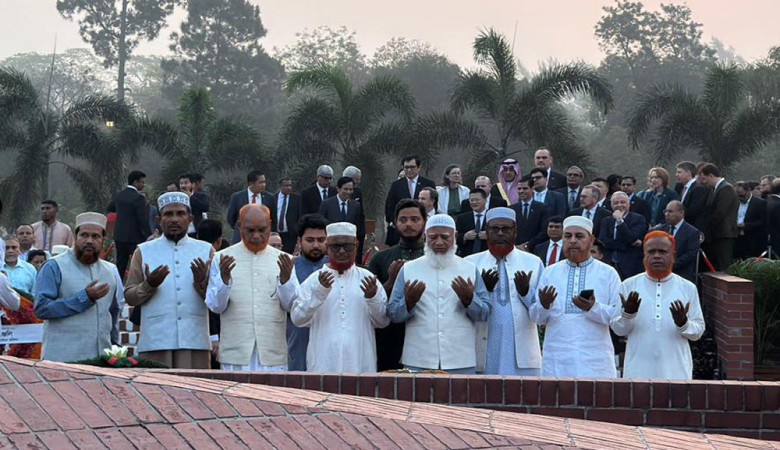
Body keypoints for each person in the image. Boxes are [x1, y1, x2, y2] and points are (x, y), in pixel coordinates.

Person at [387, 214, 490, 373]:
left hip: (460, 359)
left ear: (455, 236)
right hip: (419, 358)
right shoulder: (409, 269)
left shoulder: (469, 268)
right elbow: (393, 314)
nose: (439, 242)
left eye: (445, 237)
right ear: (425, 237)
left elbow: (485, 314)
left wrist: (470, 300)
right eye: (433, 237)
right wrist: (407, 303)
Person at [124, 192, 214, 369]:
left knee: (194, 387)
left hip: (195, 341)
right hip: (155, 341)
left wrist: (201, 283)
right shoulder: (143, 251)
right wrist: (149, 285)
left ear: (190, 219)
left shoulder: (206, 251)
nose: (174, 219)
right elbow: (129, 297)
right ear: (159, 219)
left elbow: (217, 301)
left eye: (180, 214)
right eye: (168, 214)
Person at [529, 216, 621, 377]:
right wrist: (543, 305)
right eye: (567, 236)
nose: (572, 241)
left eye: (579, 236)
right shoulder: (550, 272)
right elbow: (537, 318)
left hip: (596, 359)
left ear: (591, 240)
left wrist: (593, 308)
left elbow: (617, 318)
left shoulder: (608, 273)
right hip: (557, 358)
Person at [290, 222, 389, 372]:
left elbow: (383, 321)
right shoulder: (314, 280)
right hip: (323, 364)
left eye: (347, 246)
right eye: (336, 246)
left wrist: (372, 298)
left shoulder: (367, 279)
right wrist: (319, 292)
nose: (342, 251)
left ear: (356, 246)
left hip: (360, 363)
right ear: (327, 247)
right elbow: (297, 319)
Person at [206, 204, 294, 372]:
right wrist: (224, 280)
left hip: (272, 354)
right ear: (240, 227)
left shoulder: (285, 260)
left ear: (270, 225)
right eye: (250, 230)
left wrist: (285, 280)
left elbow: (291, 306)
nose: (256, 236)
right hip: (235, 355)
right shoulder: (221, 258)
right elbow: (215, 306)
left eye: (262, 230)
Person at [611, 231, 705, 380]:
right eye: (651, 252)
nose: (656, 256)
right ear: (644, 255)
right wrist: (628, 315)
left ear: (673, 255)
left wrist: (684, 324)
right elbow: (618, 330)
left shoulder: (687, 288)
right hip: (638, 372)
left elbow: (698, 332)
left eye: (662, 252)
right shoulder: (628, 285)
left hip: (677, 372)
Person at [467, 207, 544, 376]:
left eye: (506, 229)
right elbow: (465, 310)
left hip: (522, 347)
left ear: (515, 231)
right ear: (486, 232)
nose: (500, 233)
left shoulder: (533, 262)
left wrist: (525, 292)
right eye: (494, 229)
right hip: (484, 343)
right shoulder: (471, 263)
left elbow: (541, 315)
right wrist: (485, 290)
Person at [34, 213, 119, 362]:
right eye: (84, 235)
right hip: (62, 360)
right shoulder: (54, 266)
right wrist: (84, 298)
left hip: (101, 359)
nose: (89, 241)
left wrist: (115, 349)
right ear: (75, 237)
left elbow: (112, 313)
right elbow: (42, 308)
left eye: (95, 236)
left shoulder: (110, 271)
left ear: (103, 240)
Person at [368, 200, 426, 371]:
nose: (408, 224)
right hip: (389, 338)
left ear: (425, 221)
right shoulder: (380, 259)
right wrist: (391, 282)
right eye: (403, 220)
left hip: (426, 337)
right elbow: (371, 301)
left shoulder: (434, 258)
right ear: (395, 223)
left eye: (415, 219)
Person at [283, 214, 329, 371]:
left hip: (328, 340)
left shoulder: (335, 268)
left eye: (321, 240)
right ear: (299, 241)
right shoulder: (289, 268)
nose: (316, 245)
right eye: (310, 240)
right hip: (298, 340)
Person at [108, 171, 152, 279]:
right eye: (142, 182)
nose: (143, 185)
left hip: (119, 236)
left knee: (120, 264)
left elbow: (110, 208)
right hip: (134, 237)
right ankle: (139, 285)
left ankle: (117, 286)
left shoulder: (119, 195)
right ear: (135, 182)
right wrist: (149, 234)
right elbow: (142, 219)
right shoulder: (138, 198)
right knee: (139, 263)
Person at [384, 156, 436, 246]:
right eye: (406, 167)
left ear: (419, 168)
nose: (409, 170)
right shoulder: (396, 185)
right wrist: (398, 223)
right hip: (400, 232)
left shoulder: (428, 184)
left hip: (423, 231)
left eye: (412, 167)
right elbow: (389, 207)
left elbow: (433, 205)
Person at [697, 163, 739, 271]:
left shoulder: (726, 189)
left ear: (711, 175)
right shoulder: (715, 189)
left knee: (724, 264)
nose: (703, 182)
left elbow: (720, 213)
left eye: (704, 178)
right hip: (716, 234)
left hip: (724, 233)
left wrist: (708, 226)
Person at [598, 192, 647, 280]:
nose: (619, 205)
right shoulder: (606, 220)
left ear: (628, 204)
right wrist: (626, 245)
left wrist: (620, 221)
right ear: (611, 205)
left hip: (630, 264)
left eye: (622, 202)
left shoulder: (639, 219)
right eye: (616, 203)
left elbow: (631, 238)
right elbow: (604, 241)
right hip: (609, 262)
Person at [319, 176, 366, 262]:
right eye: (346, 189)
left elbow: (358, 227)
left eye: (351, 189)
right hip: (332, 246)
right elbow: (320, 225)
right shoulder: (326, 204)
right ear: (338, 189)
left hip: (348, 247)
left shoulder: (355, 205)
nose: (348, 192)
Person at [656, 201, 701, 283]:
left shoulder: (692, 232)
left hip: (682, 276)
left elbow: (690, 254)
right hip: (660, 276)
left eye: (670, 211)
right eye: (665, 211)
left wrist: (671, 265)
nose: (667, 214)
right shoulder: (660, 230)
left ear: (681, 212)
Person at [227, 170, 277, 244]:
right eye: (260, 182)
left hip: (262, 238)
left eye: (264, 182)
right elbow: (231, 218)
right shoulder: (237, 197)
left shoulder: (270, 198)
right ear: (251, 183)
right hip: (241, 237)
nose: (263, 185)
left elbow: (273, 218)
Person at [511, 177, 549, 251]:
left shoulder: (542, 208)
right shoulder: (512, 209)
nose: (521, 191)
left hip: (535, 249)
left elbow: (544, 231)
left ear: (532, 189)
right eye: (519, 189)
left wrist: (528, 245)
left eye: (525, 188)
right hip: (515, 249)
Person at [735, 181, 767, 259]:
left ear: (749, 191)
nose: (740, 198)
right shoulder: (735, 202)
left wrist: (745, 226)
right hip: (737, 238)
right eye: (737, 195)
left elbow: (763, 222)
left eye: (742, 195)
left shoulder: (759, 203)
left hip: (753, 239)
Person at [675, 161, 710, 233]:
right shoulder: (679, 187)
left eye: (679, 172)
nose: (676, 175)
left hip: (693, 228)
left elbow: (693, 210)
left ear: (688, 173)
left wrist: (676, 215)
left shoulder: (699, 189)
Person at [455, 189, 488, 257]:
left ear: (485, 200)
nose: (474, 202)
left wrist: (490, 236)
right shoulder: (462, 218)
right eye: (471, 200)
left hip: (487, 254)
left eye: (477, 200)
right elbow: (455, 237)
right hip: (467, 255)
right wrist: (465, 236)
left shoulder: (491, 217)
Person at [275, 178, 302, 253]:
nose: (289, 188)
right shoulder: (274, 198)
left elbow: (300, 215)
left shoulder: (297, 199)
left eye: (290, 185)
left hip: (291, 234)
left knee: (287, 254)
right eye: (286, 185)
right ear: (280, 186)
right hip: (276, 233)